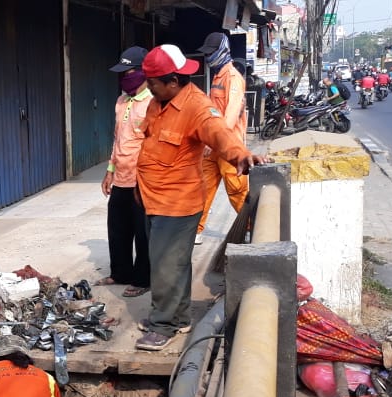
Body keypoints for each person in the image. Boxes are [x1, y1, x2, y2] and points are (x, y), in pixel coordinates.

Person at [134, 44, 266, 351]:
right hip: (153, 198)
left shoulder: (197, 106)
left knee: (167, 265)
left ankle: (163, 325)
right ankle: (178, 317)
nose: (147, 87)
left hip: (177, 203)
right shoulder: (159, 101)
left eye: (152, 82)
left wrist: (240, 155)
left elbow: (219, 133)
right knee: (172, 263)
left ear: (173, 81)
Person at [99, 46, 152, 298]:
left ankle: (143, 279)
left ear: (143, 72)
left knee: (142, 232)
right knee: (117, 228)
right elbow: (116, 138)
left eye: (129, 72)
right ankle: (120, 273)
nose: (124, 78)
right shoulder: (121, 101)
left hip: (142, 179)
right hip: (120, 176)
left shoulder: (153, 101)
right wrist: (110, 170)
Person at [196, 32, 249, 245]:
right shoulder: (218, 76)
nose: (208, 57)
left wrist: (214, 142)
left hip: (229, 146)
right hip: (213, 146)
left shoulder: (233, 78)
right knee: (203, 189)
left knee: (237, 191)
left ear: (222, 51)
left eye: (210, 52)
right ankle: (196, 230)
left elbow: (230, 115)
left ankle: (251, 228)